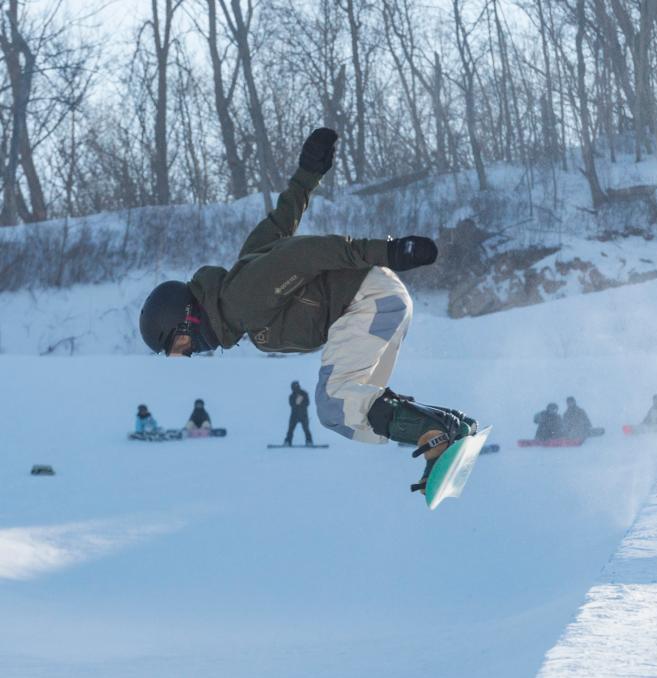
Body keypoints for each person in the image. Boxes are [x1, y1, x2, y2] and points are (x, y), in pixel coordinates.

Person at [138, 128, 475, 492]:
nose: (193, 352)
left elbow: (307, 254)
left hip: (366, 301)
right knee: (360, 408)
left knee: (335, 405)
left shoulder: (242, 298)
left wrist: (389, 250)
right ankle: (450, 427)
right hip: (377, 301)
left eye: (182, 346)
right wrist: (308, 173)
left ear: (186, 316)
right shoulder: (242, 288)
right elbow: (283, 220)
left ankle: (435, 438)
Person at [285, 380, 313, 446]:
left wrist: (300, 402)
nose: (295, 388)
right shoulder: (291, 396)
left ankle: (309, 441)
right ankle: (288, 441)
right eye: (294, 387)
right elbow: (292, 404)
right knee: (290, 429)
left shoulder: (304, 394)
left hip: (303, 415)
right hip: (294, 415)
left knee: (306, 429)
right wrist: (297, 402)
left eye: (296, 386)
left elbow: (307, 403)